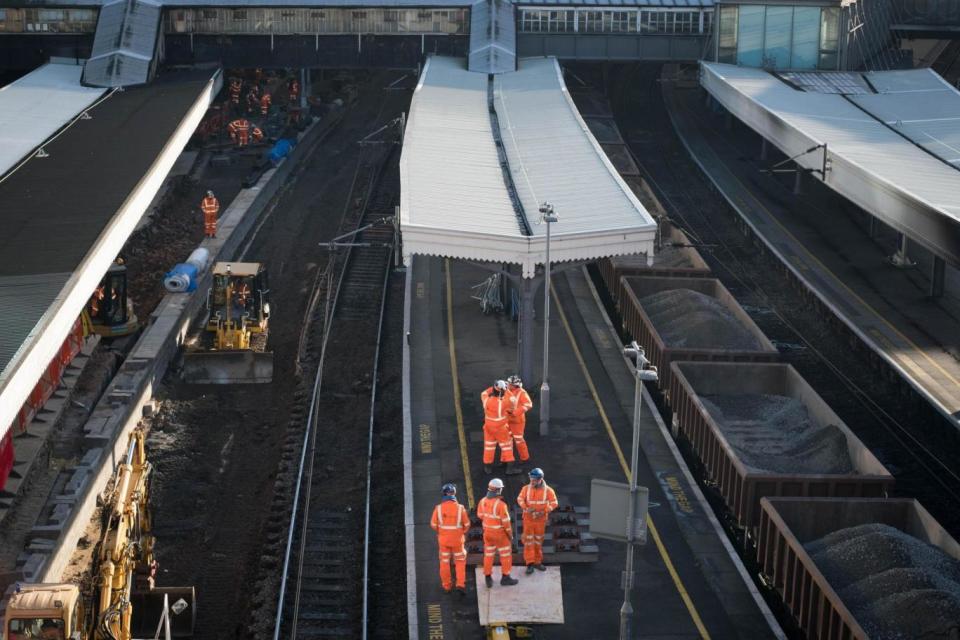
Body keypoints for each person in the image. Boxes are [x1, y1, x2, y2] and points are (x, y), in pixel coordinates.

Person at [429, 483, 470, 596]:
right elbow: (467, 524)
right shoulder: (460, 508)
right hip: (457, 540)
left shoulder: (438, 509)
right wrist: (461, 532)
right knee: (460, 561)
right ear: (454, 494)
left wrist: (441, 531)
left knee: (444, 562)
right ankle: (460, 584)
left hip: (444, 541)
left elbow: (433, 524)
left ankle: (447, 586)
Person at [476, 478, 518, 588]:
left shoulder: (482, 501)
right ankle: (505, 578)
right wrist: (510, 535)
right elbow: (506, 523)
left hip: (487, 534)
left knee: (488, 555)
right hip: (500, 535)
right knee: (505, 556)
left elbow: (480, 515)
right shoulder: (501, 505)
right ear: (498, 490)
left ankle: (488, 578)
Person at [517, 468, 558, 574]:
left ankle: (537, 562)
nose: (532, 481)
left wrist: (544, 511)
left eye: (534, 479)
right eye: (531, 479)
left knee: (538, 542)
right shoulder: (526, 488)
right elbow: (520, 499)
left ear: (540, 479)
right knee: (528, 541)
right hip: (528, 520)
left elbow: (554, 503)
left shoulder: (548, 490)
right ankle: (529, 563)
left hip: (540, 521)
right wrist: (526, 508)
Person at [481, 381, 515, 475]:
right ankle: (509, 469)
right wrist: (506, 389)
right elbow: (512, 403)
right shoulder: (505, 402)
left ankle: (487, 467)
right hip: (500, 428)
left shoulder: (487, 400)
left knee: (489, 447)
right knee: (506, 446)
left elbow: (484, 393)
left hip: (488, 427)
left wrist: (495, 387)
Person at [506, 375, 533, 463]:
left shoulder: (522, 393)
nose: (508, 385)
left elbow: (528, 405)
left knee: (519, 440)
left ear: (515, 385)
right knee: (507, 442)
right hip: (507, 421)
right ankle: (508, 459)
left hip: (517, 422)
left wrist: (515, 413)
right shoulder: (506, 390)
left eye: (510, 384)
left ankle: (525, 458)